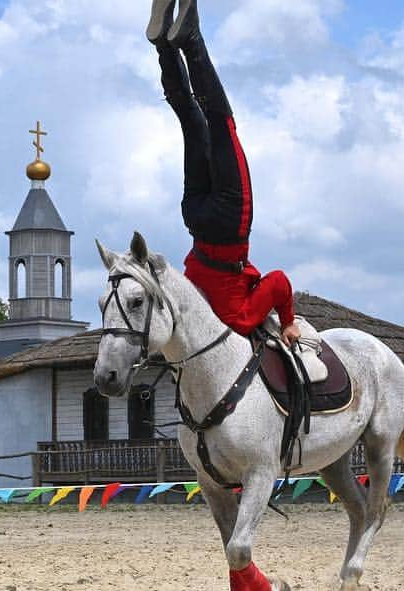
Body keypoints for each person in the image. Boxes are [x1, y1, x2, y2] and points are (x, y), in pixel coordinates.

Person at [148, 0, 304, 349]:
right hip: (196, 220)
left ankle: (190, 39)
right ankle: (163, 46)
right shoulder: (195, 300)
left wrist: (289, 320)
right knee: (191, 121)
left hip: (230, 223)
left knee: (221, 123)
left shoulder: (237, 321)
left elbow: (278, 282)